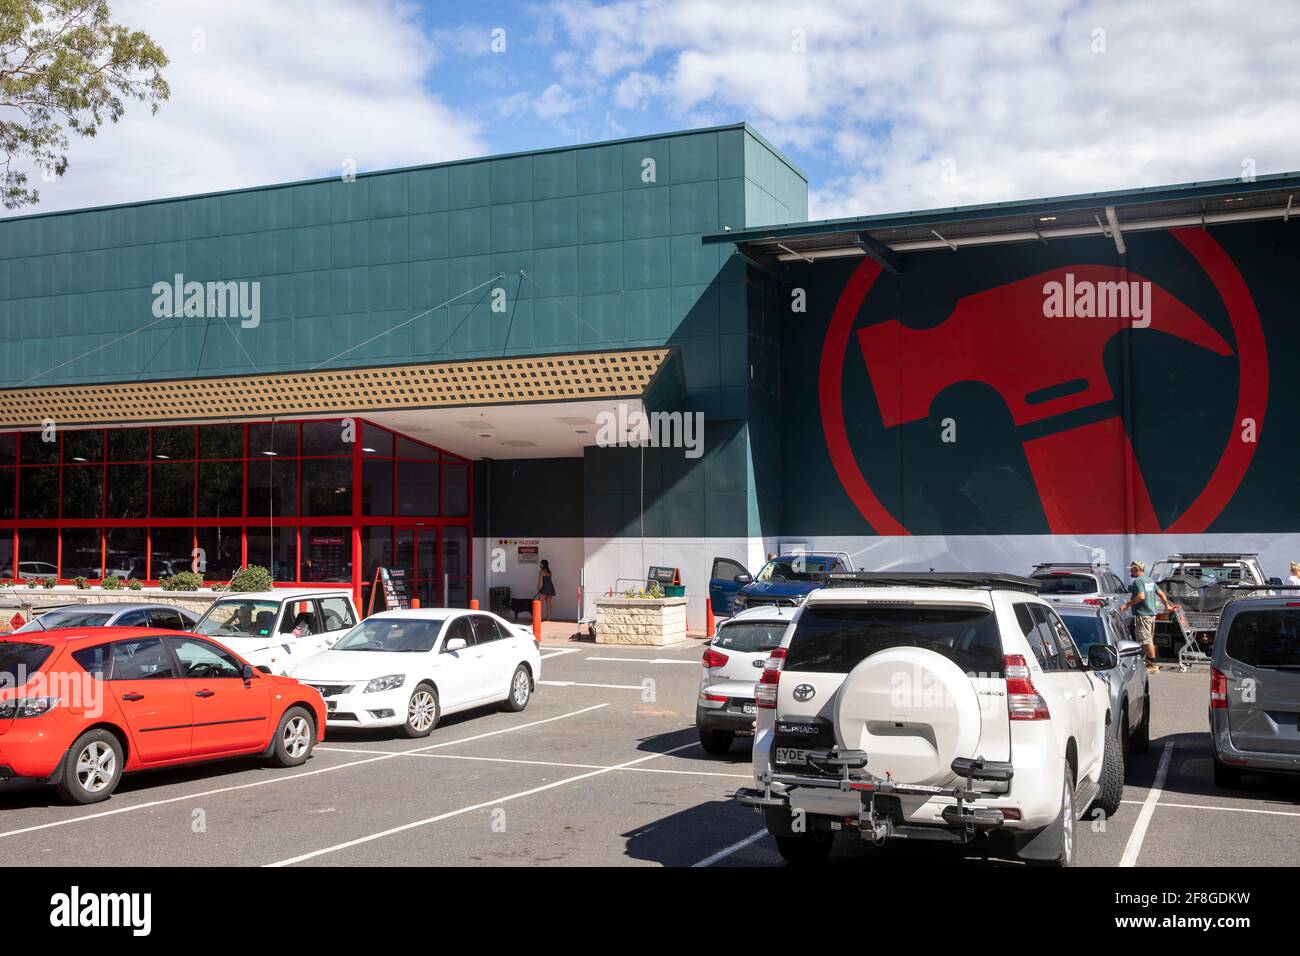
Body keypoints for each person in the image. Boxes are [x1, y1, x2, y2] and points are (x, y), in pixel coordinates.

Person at [1120, 560, 1174, 674]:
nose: (1130, 571)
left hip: (1143, 615)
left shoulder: (1138, 581)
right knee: (1147, 640)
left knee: (1145, 640)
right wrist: (1167, 606)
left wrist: (1127, 604)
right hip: (1151, 615)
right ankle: (1149, 661)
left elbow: (1141, 596)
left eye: (1131, 569)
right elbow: (1161, 594)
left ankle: (1153, 664)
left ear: (1137, 569)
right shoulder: (1150, 580)